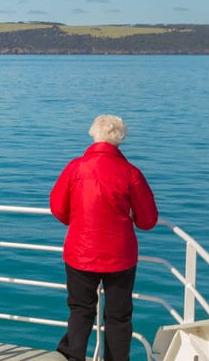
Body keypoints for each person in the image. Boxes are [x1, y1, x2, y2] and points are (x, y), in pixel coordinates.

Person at [50, 115, 158, 361]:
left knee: (80, 310)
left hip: (80, 252)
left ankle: (72, 356)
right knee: (118, 316)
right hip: (119, 256)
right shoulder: (131, 173)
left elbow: (57, 207)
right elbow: (148, 220)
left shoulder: (75, 168)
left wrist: (77, 221)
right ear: (120, 139)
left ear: (93, 135)